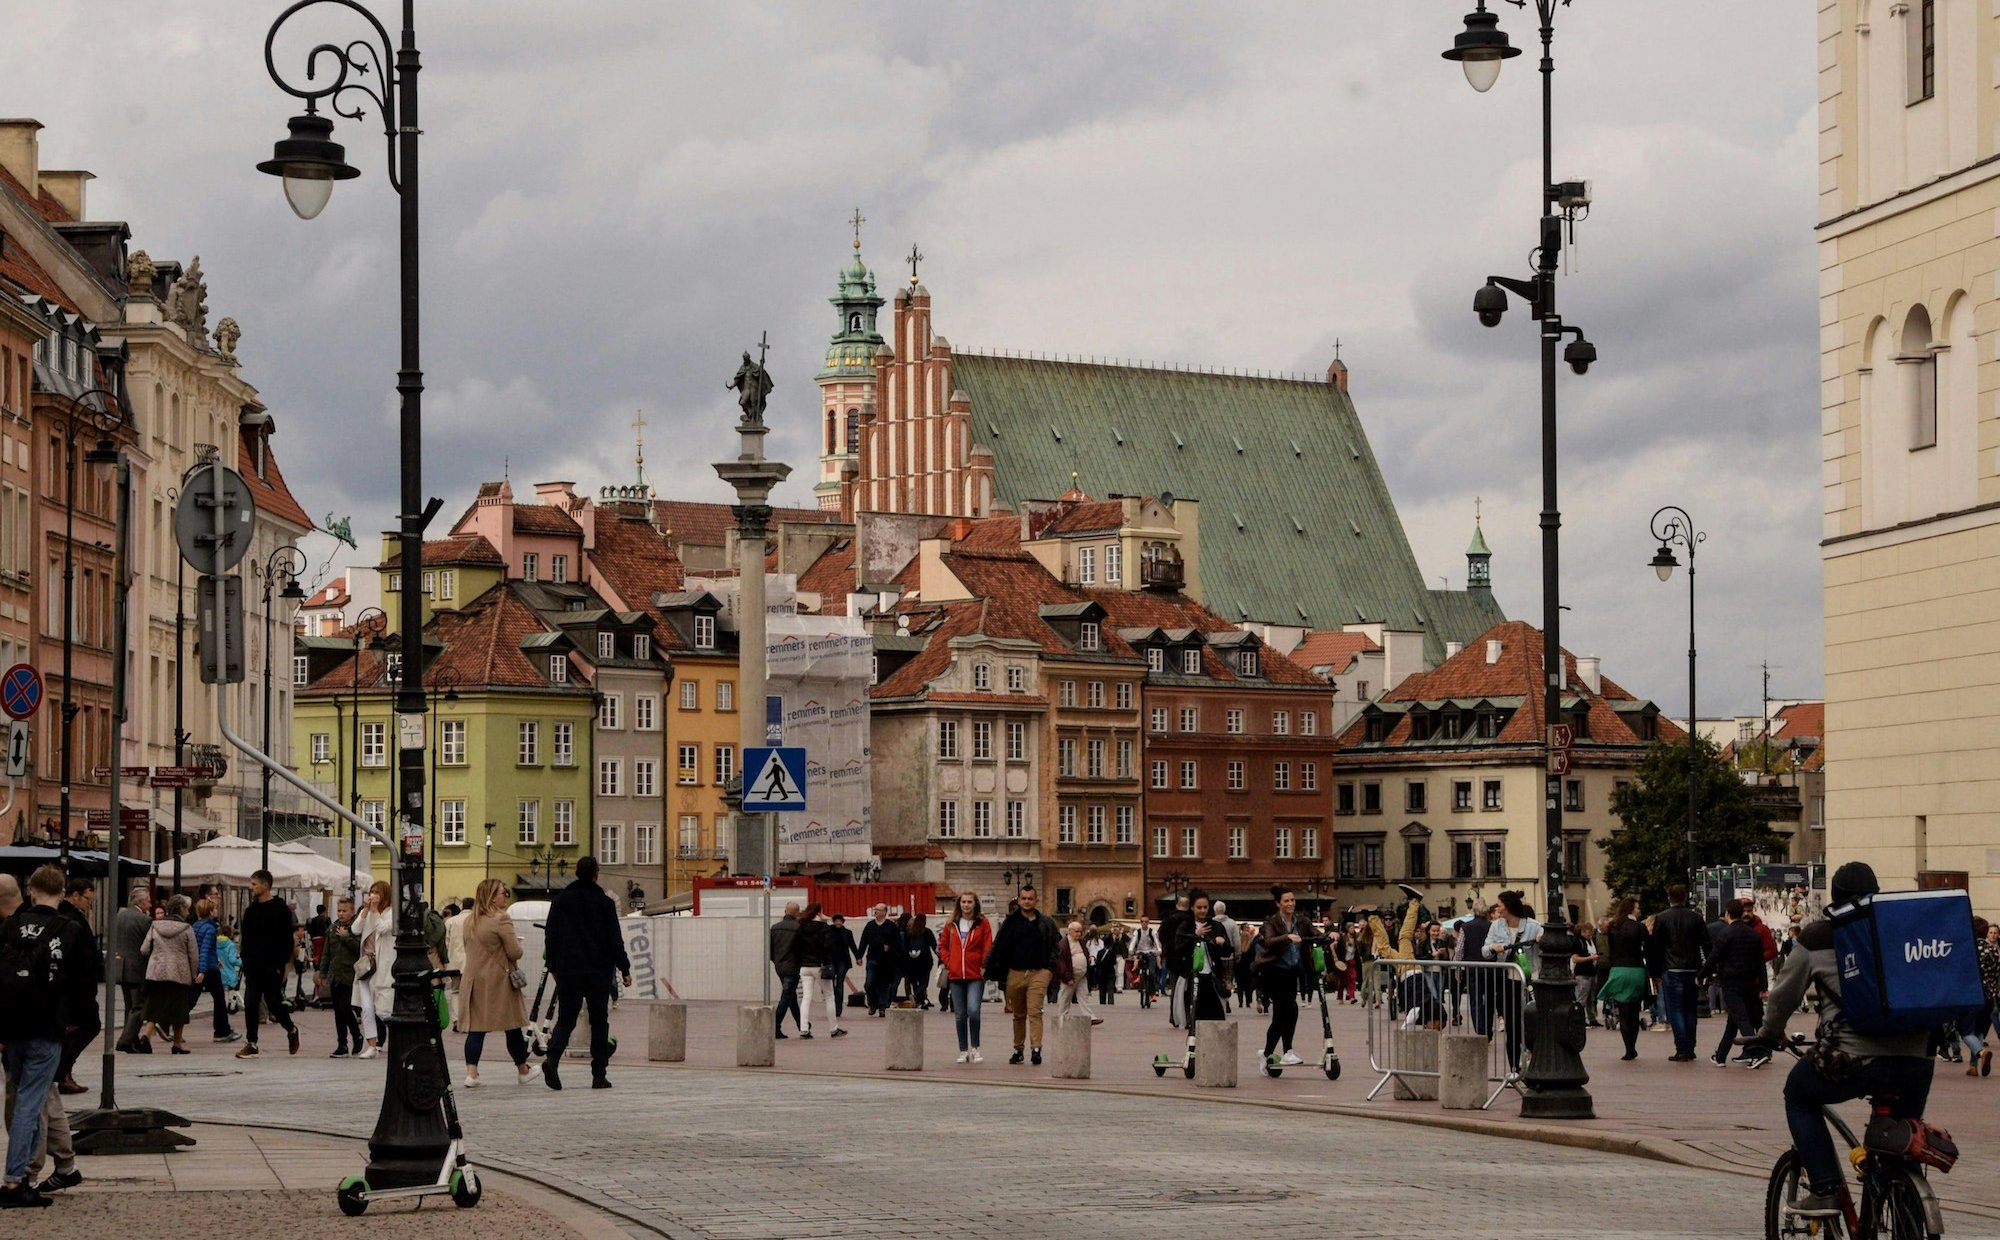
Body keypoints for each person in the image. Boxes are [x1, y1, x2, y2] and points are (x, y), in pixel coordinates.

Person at [1743, 862, 1936, 1219]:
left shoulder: (1819, 936)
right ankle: (1908, 1212)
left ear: (1834, 899)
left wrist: (1769, 1033)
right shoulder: (1901, 928)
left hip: (1851, 1059)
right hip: (1917, 1059)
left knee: (1799, 1094)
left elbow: (1783, 997)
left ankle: (1825, 1189)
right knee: (1899, 1137)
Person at [1, 866, 95, 1209]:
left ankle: (33, 1174)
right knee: (31, 1103)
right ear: (63, 893)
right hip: (48, 1027)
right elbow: (86, 982)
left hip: (13, 1029)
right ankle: (16, 1180)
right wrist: (77, 1021)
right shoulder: (70, 929)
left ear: (32, 891)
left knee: (22, 1098)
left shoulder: (11, 925)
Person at [541, 856, 632, 1090]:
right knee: (599, 1021)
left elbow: (551, 936)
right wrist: (625, 968)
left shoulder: (560, 901)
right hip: (598, 971)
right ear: (596, 875)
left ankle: (552, 1059)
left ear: (576, 873)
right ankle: (599, 1074)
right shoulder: (604, 903)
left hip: (568, 970)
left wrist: (553, 966)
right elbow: (615, 939)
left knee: (566, 1019)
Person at [459, 879, 533, 1087]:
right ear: (492, 897)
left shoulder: (470, 920)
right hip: (498, 981)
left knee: (476, 1029)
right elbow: (514, 952)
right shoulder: (501, 919)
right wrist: (519, 945)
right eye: (503, 893)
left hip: (473, 980)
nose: (506, 896)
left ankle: (471, 1074)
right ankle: (523, 1070)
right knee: (512, 1026)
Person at [991, 885, 1061, 1065]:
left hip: (1038, 972)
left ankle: (1036, 1049)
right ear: (1019, 900)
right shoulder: (1010, 923)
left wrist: (1049, 969)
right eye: (1024, 898)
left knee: (1035, 1011)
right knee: (1019, 1014)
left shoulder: (1046, 922)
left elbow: (1056, 946)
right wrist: (991, 967)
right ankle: (1018, 1049)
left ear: (1036, 900)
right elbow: (999, 945)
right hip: (1015, 973)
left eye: (1030, 898)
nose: (1027, 902)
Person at [234, 869, 300, 1059]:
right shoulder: (250, 911)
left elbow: (286, 940)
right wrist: (245, 962)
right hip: (253, 967)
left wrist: (280, 965)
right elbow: (246, 940)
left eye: (254, 884)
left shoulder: (280, 909)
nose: (251, 887)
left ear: (265, 885)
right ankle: (252, 1043)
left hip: (272, 967)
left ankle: (291, 1029)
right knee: (250, 1003)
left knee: (274, 1004)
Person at [1704, 898, 1768, 1067]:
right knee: (1732, 1021)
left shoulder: (1725, 934)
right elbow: (1760, 962)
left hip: (1731, 982)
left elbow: (1714, 957)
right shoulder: (1753, 934)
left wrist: (1702, 975)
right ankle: (1720, 1055)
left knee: (1741, 1018)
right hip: (1750, 982)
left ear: (1727, 913)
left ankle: (1756, 1051)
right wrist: (1763, 985)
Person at [1652, 884, 1712, 1063]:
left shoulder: (1662, 918)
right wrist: (1706, 969)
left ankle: (1682, 1047)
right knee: (1690, 1009)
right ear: (1685, 897)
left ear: (1669, 897)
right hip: (1692, 968)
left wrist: (1656, 971)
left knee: (1676, 1009)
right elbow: (1706, 943)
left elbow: (1656, 946)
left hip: (1671, 968)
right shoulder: (1696, 918)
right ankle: (1690, 1046)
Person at [1481, 891, 1540, 1070]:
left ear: (1508, 906)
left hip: (1530, 980)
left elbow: (1547, 943)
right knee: (1512, 1026)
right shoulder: (1496, 926)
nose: (1497, 908)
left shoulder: (1533, 926)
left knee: (1531, 1021)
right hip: (1508, 981)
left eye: (1499, 905)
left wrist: (1542, 940)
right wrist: (1493, 947)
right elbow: (1484, 951)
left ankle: (1533, 1058)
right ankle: (1514, 1068)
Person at [1255, 885, 1313, 1066]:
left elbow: (1316, 934)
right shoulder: (1270, 922)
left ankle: (1267, 1053)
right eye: (1286, 901)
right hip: (1273, 972)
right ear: (1278, 904)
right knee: (1287, 1010)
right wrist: (1287, 937)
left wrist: (1332, 934)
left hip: (1291, 972)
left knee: (1284, 1014)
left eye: (1292, 900)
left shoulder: (1301, 921)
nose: (1290, 904)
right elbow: (1269, 941)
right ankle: (1287, 1051)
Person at [138, 896, 200, 1055]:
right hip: (179, 973)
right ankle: (177, 1043)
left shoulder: (155, 925)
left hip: (157, 972)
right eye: (186, 909)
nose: (188, 912)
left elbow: (144, 949)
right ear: (181, 909)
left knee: (154, 1006)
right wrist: (194, 974)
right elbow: (193, 955)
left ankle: (146, 1037)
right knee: (179, 1009)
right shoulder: (186, 928)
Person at [938, 893, 991, 1062]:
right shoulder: (951, 923)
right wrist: (949, 962)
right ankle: (963, 1050)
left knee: (973, 1011)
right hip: (956, 975)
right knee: (960, 1014)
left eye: (969, 902)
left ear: (975, 904)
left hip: (975, 974)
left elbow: (987, 945)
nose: (966, 905)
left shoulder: (982, 923)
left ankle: (975, 1048)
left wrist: (984, 965)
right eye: (963, 902)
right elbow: (942, 946)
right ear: (959, 904)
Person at [1599, 896, 1652, 1061]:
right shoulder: (1639, 927)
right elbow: (1648, 948)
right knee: (1634, 1011)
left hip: (1618, 970)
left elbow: (1611, 949)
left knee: (1623, 1012)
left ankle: (1628, 1048)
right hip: (1636, 970)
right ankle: (1632, 1047)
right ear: (1631, 909)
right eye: (1637, 907)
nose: (1639, 910)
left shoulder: (1613, 926)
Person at [1173, 891, 1234, 1023]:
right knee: (1195, 1017)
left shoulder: (1216, 926)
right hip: (1192, 977)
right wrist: (1195, 935)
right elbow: (1178, 949)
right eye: (1199, 907)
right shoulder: (1186, 926)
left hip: (1212, 977)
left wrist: (1222, 943)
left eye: (1205, 907)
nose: (1202, 910)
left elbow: (1228, 951)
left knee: (1217, 1017)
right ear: (1192, 908)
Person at [351, 881, 394, 1057]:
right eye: (371, 892)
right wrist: (365, 911)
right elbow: (355, 929)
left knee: (383, 1010)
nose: (373, 895)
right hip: (366, 966)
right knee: (366, 1007)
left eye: (377, 892)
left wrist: (375, 911)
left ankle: (397, 1037)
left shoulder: (391, 914)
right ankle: (371, 1046)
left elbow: (382, 928)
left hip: (383, 965)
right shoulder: (368, 912)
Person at [190, 899, 239, 1043]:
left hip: (202, 966)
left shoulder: (195, 926)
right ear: (210, 912)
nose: (217, 911)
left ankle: (168, 1023)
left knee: (191, 998)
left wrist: (215, 959)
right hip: (208, 969)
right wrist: (203, 970)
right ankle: (222, 1031)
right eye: (215, 909)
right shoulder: (210, 929)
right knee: (219, 999)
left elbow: (198, 948)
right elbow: (204, 950)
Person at [319, 896, 362, 1057]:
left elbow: (360, 948)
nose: (341, 914)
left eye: (344, 911)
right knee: (338, 1011)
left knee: (345, 1008)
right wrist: (323, 972)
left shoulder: (356, 928)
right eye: (339, 911)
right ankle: (342, 1044)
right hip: (335, 975)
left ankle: (356, 1035)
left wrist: (346, 937)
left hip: (350, 975)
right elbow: (326, 952)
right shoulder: (332, 929)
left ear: (352, 911)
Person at [111, 887, 152, 1054]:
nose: (150, 904)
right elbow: (149, 944)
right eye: (148, 900)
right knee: (139, 1006)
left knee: (130, 1005)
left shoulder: (119, 916)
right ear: (140, 902)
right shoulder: (144, 920)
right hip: (137, 967)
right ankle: (125, 1040)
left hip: (121, 965)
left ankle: (132, 1039)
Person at [1054, 919, 1103, 1025]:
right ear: (1070, 931)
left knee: (1084, 996)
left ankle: (1090, 1017)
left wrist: (1087, 959)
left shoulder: (1081, 942)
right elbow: (1060, 963)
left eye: (1080, 931)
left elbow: (1085, 952)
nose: (1079, 934)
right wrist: (1067, 977)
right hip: (1070, 976)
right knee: (1065, 997)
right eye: (1077, 931)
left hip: (1082, 975)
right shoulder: (1063, 944)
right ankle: (1061, 1017)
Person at [858, 904, 903, 1016]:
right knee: (869, 983)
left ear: (884, 912)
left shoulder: (891, 926)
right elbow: (864, 941)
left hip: (886, 960)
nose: (876, 912)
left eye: (878, 910)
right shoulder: (870, 925)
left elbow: (898, 941)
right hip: (872, 958)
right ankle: (872, 1003)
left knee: (884, 985)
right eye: (875, 910)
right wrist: (859, 956)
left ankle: (883, 1007)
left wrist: (890, 945)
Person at [769, 902, 805, 1038]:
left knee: (791, 996)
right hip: (792, 967)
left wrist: (777, 961)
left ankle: (802, 1025)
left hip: (780, 966)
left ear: (785, 911)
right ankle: (775, 1027)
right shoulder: (798, 928)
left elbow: (770, 949)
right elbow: (800, 949)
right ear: (797, 913)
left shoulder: (774, 928)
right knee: (786, 997)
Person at [1159, 895, 1193, 1026]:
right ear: (1188, 906)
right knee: (1188, 988)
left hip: (1172, 957)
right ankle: (1187, 1016)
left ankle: (1173, 1016)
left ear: (1177, 905)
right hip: (1188, 957)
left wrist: (1167, 948)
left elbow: (1161, 937)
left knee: (1174, 987)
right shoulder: (1191, 919)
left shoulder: (1169, 919)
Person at [824, 912, 860, 1030]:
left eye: (840, 921)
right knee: (830, 984)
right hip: (831, 961)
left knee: (839, 983)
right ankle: (832, 1006)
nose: (838, 923)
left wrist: (858, 957)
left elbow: (852, 945)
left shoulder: (847, 933)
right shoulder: (828, 931)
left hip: (843, 961)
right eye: (836, 921)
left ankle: (838, 1009)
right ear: (833, 922)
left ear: (843, 922)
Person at [443, 899, 472, 1032]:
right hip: (472, 962)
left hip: (454, 962)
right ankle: (468, 1019)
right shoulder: (476, 920)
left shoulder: (451, 921)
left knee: (455, 991)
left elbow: (446, 943)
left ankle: (456, 1020)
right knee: (470, 992)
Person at [902, 912, 938, 1009]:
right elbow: (934, 946)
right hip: (925, 960)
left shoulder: (909, 932)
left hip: (912, 961)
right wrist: (941, 958)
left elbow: (905, 947)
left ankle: (920, 1001)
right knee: (924, 982)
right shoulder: (927, 932)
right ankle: (917, 997)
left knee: (914, 982)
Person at [1131, 917, 1161, 1009]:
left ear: (1148, 923)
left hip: (1151, 952)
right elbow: (1133, 942)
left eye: (1146, 922)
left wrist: (1159, 950)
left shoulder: (1152, 932)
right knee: (1138, 964)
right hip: (1140, 952)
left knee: (1151, 972)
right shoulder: (1137, 932)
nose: (1144, 923)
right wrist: (1131, 950)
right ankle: (1140, 977)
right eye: (1142, 922)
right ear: (1140, 923)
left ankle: (1153, 993)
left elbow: (1157, 942)